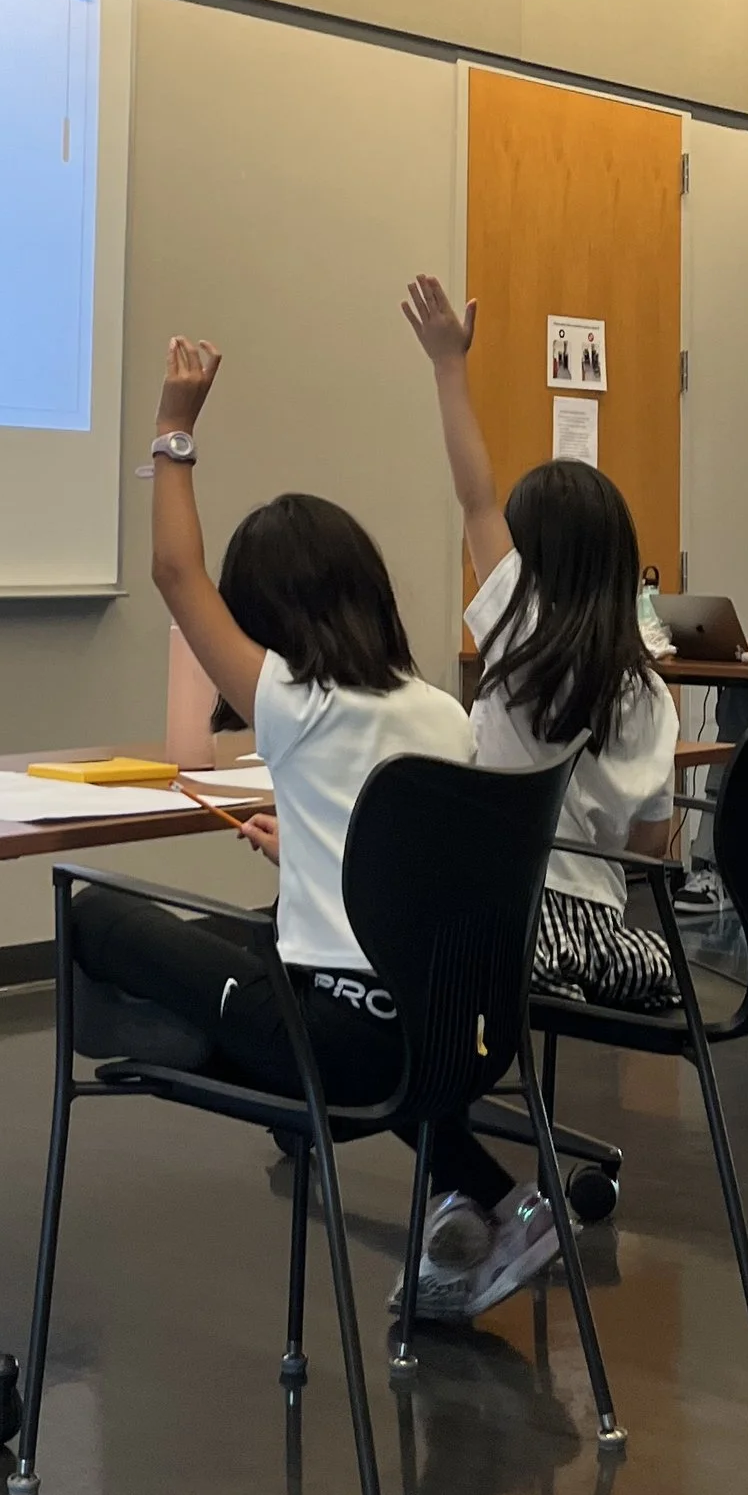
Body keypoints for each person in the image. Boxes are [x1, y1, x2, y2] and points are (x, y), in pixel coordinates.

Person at [71, 334, 559, 1330]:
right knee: (233, 937)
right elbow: (416, 871)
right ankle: (504, 1202)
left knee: (95, 916)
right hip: (458, 1035)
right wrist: (312, 853)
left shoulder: (293, 700)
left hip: (340, 1047)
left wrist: (174, 424)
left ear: (271, 617)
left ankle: (187, 1052)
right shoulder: (440, 713)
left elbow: (173, 570)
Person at [401, 275, 680, 1317]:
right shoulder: (654, 692)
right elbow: (654, 856)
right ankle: (456, 1214)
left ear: (534, 562)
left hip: (510, 936)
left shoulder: (515, 633)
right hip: (610, 947)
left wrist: (447, 364)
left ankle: (471, 1194)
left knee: (382, 965)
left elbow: (474, 493)